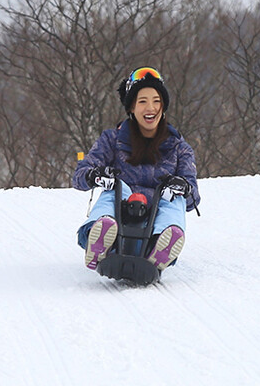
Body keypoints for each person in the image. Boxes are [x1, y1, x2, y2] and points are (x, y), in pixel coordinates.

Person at [72, 66, 200, 272]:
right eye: (143, 101)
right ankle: (98, 238)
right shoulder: (112, 140)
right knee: (116, 187)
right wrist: (95, 175)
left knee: (176, 197)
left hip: (156, 216)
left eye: (156, 101)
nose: (151, 108)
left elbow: (193, 197)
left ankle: (163, 244)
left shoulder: (179, 148)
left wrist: (181, 187)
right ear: (131, 107)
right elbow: (79, 175)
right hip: (120, 213)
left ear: (164, 107)